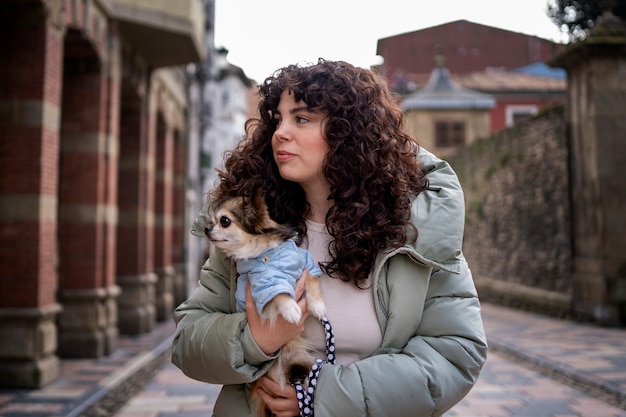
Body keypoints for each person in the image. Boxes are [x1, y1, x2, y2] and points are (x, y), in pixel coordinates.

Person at [172, 58, 488, 417]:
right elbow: (187, 340)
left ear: (348, 134)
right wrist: (256, 340)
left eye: (301, 119)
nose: (280, 133)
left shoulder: (417, 231)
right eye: (278, 119)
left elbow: (454, 354)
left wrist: (321, 395)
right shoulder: (248, 231)